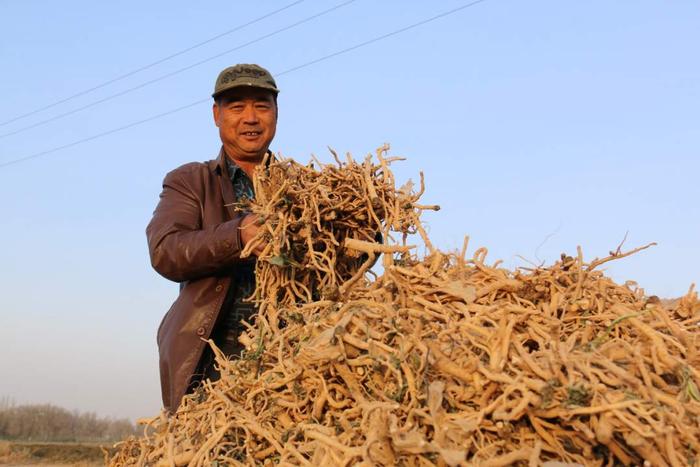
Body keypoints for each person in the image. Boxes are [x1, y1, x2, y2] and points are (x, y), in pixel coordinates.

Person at [146, 64, 278, 413]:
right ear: (217, 115)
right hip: (214, 360)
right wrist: (237, 236)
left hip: (290, 352)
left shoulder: (302, 187)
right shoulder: (190, 181)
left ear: (276, 113)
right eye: (237, 107)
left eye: (262, 106)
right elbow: (166, 250)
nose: (250, 118)